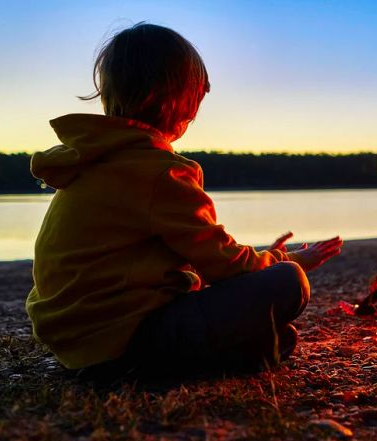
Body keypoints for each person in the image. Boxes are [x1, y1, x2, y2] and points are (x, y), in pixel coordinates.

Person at [25, 23, 342, 376]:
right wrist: (288, 258)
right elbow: (223, 265)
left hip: (76, 343)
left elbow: (176, 262)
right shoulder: (161, 172)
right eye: (196, 99)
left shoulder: (91, 160)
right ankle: (170, 365)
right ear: (175, 100)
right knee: (289, 281)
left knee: (275, 335)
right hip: (124, 341)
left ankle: (236, 351)